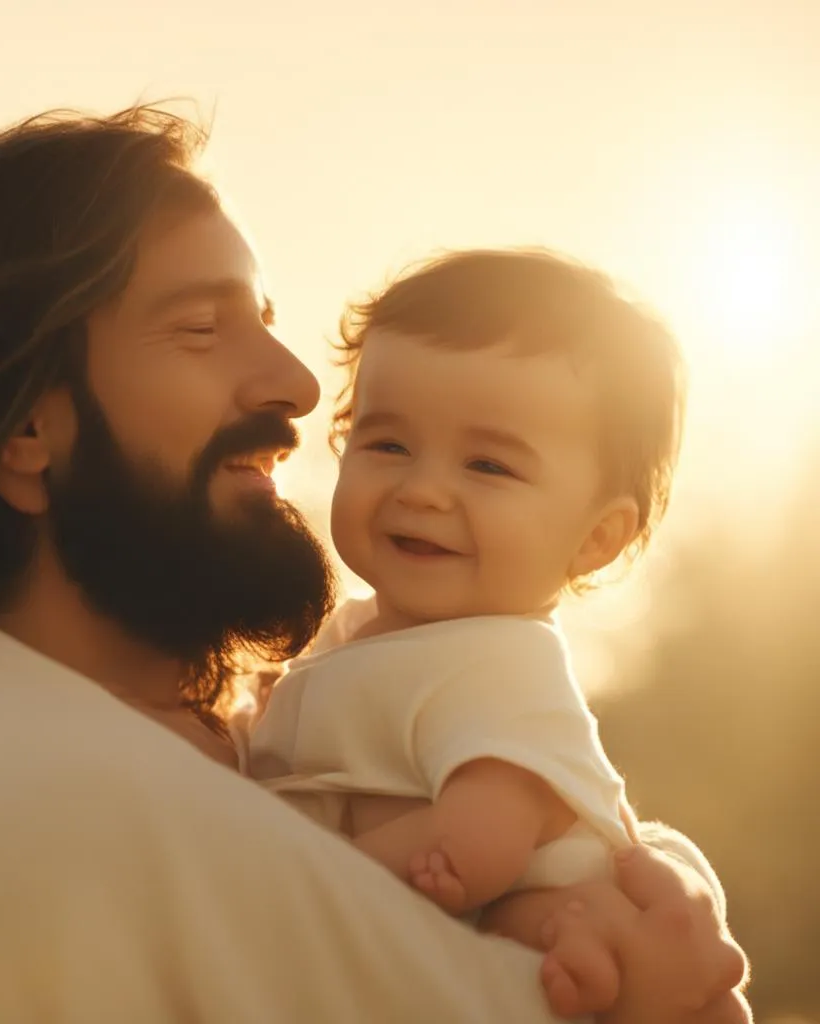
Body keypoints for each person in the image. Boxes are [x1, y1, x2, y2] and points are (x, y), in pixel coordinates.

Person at [0, 104, 748, 1023]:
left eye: (262, 318)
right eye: (203, 330)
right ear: (24, 429)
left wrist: (633, 860)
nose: (298, 387)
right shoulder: (26, 813)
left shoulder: (109, 747)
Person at [248, 249, 688, 1015]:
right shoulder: (352, 640)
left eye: (487, 465)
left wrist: (297, 879)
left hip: (501, 940)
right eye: (387, 444)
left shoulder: (503, 667)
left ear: (595, 538)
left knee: (547, 929)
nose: (422, 490)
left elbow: (477, 841)